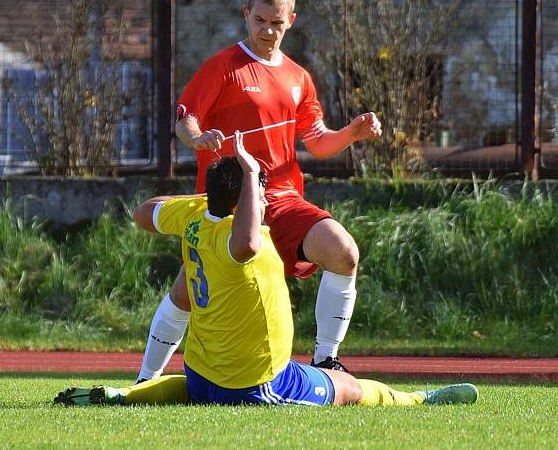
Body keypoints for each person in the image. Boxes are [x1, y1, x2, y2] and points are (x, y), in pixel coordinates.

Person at [55, 132, 478, 407]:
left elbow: (145, 213)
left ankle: (125, 395)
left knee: (195, 391)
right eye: (261, 189)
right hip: (256, 384)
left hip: (201, 373)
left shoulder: (196, 214)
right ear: (244, 205)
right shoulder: (245, 242)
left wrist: (209, 196)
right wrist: (251, 172)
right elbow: (245, 242)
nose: (267, 196)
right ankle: (421, 399)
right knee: (347, 389)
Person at [137, 0, 382, 382]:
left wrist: (351, 135)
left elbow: (317, 141)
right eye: (261, 21)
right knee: (186, 291)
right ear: (246, 15)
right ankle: (146, 379)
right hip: (228, 203)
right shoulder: (222, 67)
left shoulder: (299, 78)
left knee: (344, 253)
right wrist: (199, 139)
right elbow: (185, 122)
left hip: (281, 198)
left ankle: (325, 359)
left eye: (277, 23)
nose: (268, 31)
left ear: (291, 21)